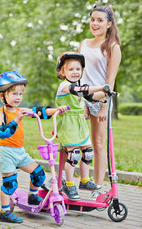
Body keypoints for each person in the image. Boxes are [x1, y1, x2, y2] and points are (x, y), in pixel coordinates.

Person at [0, 71, 67, 223]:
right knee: (10, 184)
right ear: (2, 96)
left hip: (20, 152)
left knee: (39, 174)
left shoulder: (21, 110)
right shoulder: (0, 113)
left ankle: (33, 196)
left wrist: (57, 110)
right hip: (7, 153)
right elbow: (2, 133)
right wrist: (17, 119)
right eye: (14, 94)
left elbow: (40, 112)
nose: (18, 97)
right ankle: (4, 212)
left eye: (20, 94)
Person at [79, 5, 121, 198]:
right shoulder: (84, 43)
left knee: (98, 143)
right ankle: (73, 182)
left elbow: (109, 82)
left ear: (109, 24)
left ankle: (97, 186)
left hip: (99, 99)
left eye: (100, 20)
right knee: (74, 141)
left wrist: (103, 104)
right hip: (81, 97)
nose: (94, 23)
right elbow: (79, 74)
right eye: (92, 19)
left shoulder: (112, 47)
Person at [55, 52, 110, 200]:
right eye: (71, 69)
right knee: (74, 155)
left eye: (78, 69)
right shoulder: (65, 85)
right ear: (62, 72)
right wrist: (99, 87)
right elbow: (81, 90)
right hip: (68, 124)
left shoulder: (78, 87)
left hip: (79, 124)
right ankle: (70, 184)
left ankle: (84, 181)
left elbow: (91, 96)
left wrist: (105, 93)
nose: (75, 72)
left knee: (88, 153)